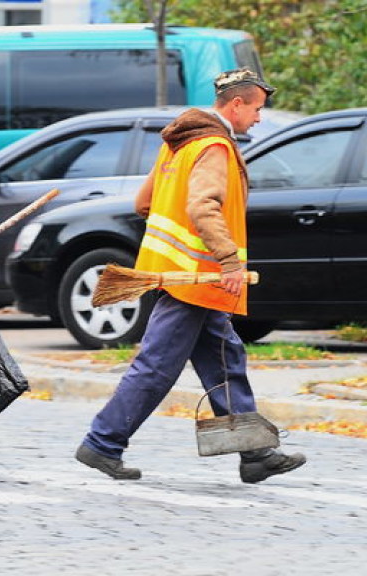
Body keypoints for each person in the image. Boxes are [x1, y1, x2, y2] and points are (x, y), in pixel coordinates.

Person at [75, 68, 306, 484]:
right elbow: (204, 207)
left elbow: (144, 201)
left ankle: (254, 453)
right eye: (255, 109)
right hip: (195, 278)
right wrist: (229, 261)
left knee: (225, 360)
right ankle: (102, 442)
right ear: (236, 104)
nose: (258, 118)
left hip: (184, 274)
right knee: (157, 366)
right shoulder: (214, 146)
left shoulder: (180, 142)